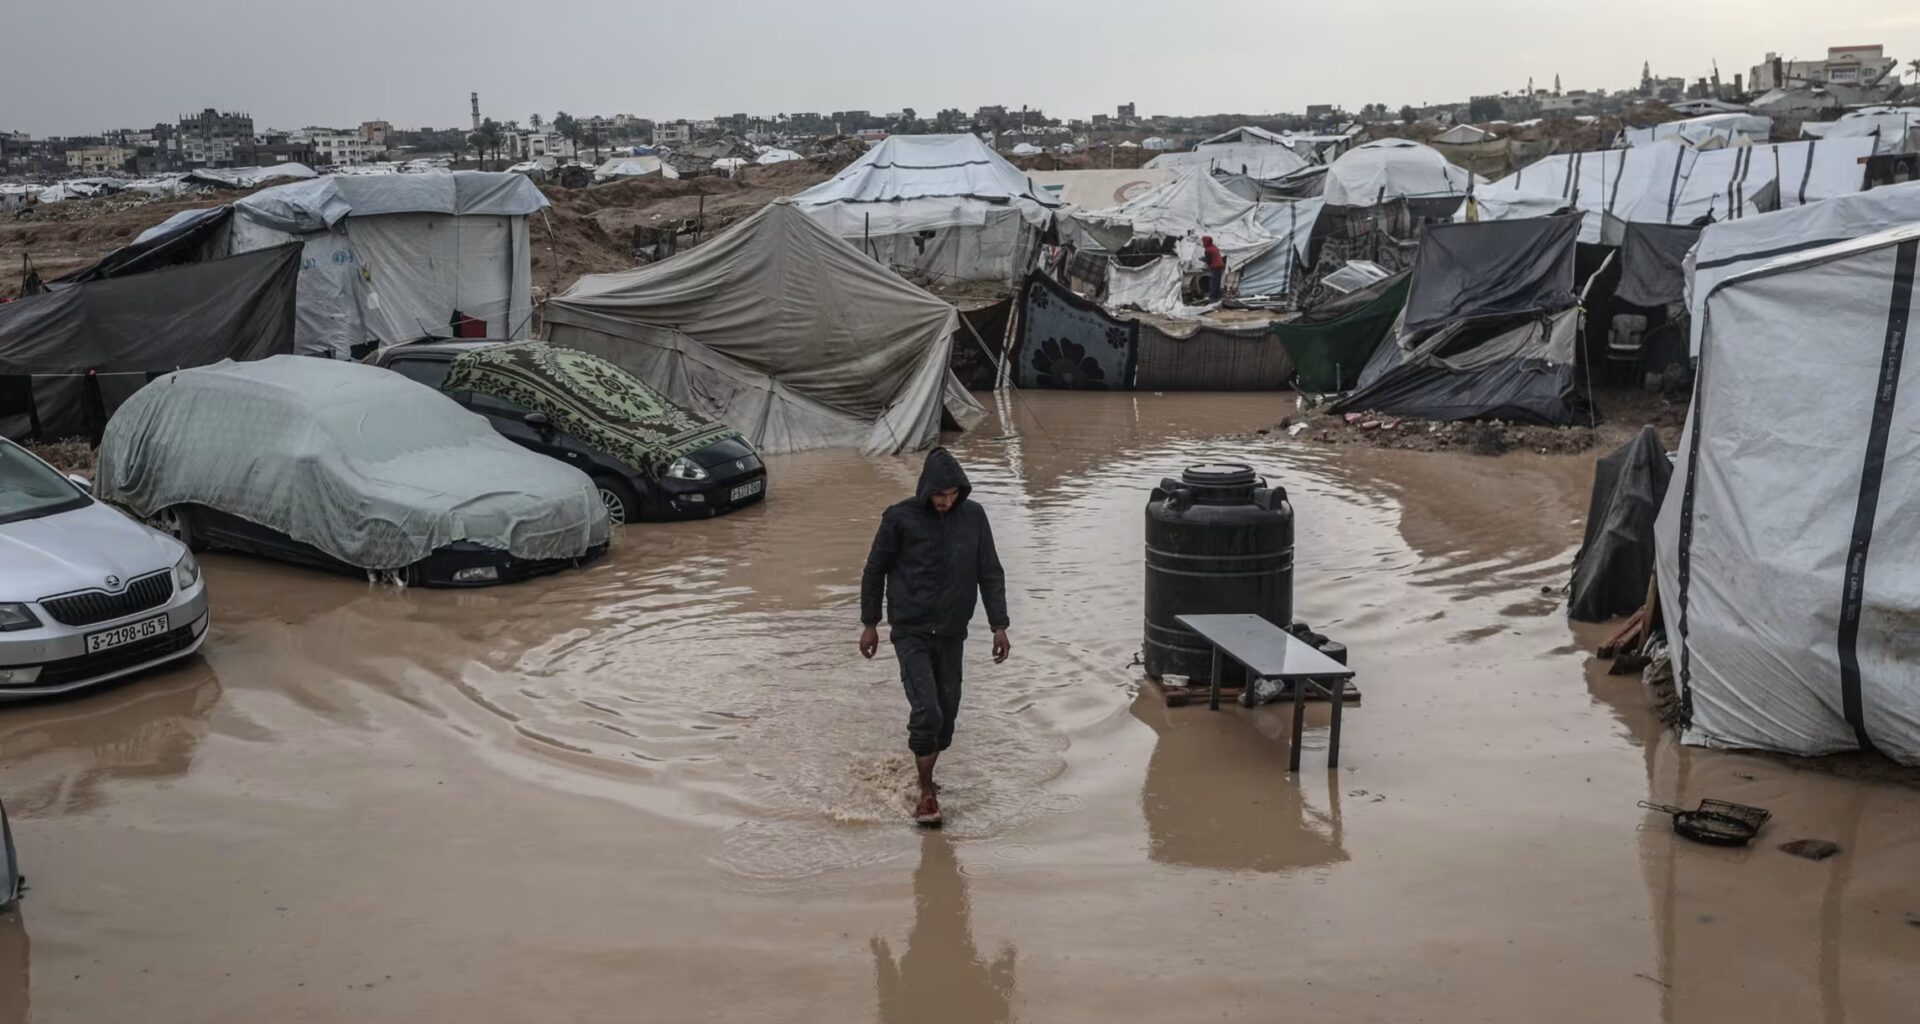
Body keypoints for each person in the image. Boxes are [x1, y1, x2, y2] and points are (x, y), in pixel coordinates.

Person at [859, 447, 1011, 827]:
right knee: (927, 709)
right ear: (926, 490)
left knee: (946, 716)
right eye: (938, 495)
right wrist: (870, 622)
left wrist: (999, 625)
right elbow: (874, 570)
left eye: (952, 495)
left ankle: (926, 769)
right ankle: (926, 794)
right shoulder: (900, 518)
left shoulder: (974, 517)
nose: (945, 502)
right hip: (910, 630)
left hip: (951, 632)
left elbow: (989, 571)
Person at [1201, 235, 1226, 301]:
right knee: (1217, 282)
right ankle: (1217, 296)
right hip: (1220, 265)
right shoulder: (1214, 246)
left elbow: (1208, 259)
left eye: (1203, 241)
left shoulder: (1208, 249)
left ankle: (1213, 297)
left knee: (1213, 282)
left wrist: (1202, 259)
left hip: (1215, 267)